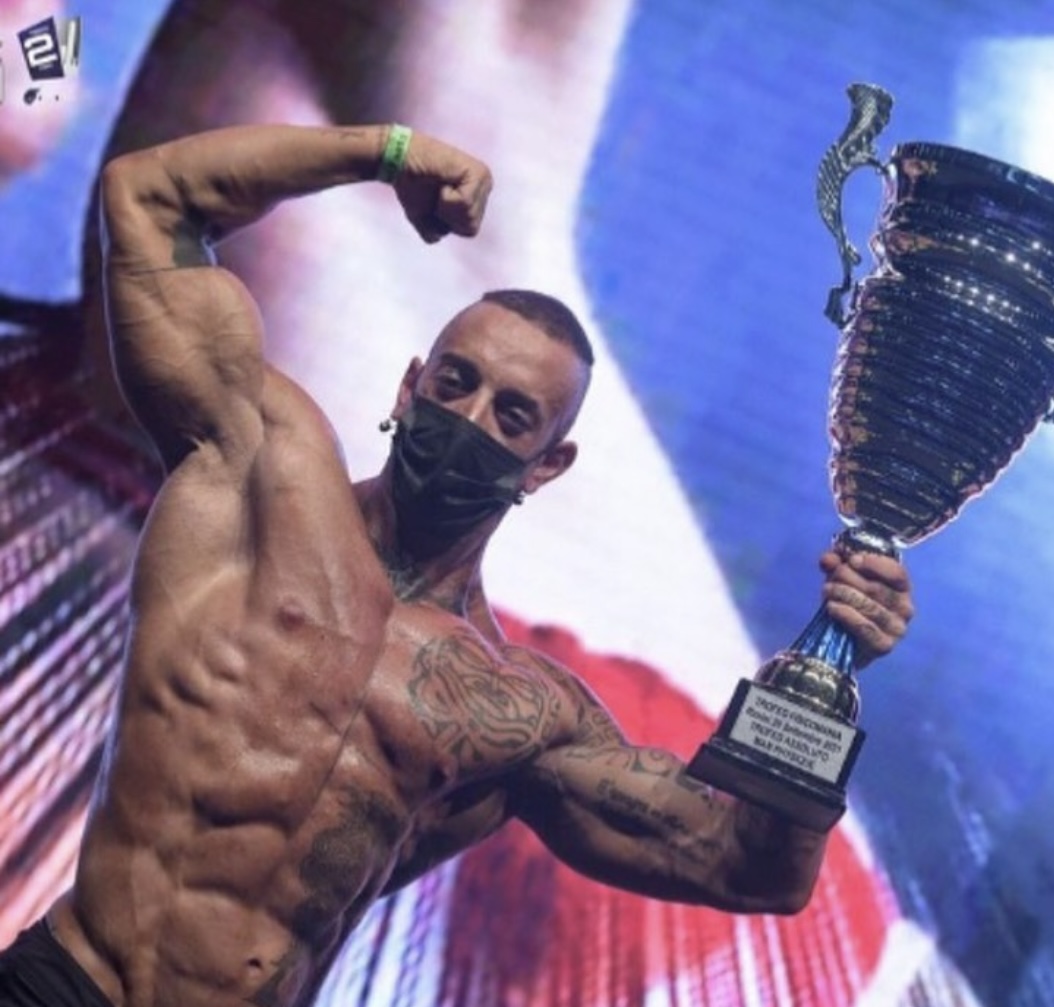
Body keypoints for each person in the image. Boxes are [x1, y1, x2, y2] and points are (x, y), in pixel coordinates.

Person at [0, 122, 913, 1007]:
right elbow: (148, 197)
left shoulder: (524, 714)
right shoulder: (254, 469)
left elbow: (748, 865)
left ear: (547, 464)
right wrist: (384, 152)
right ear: (411, 386)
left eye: (512, 415)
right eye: (455, 382)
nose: (470, 419)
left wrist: (827, 672)